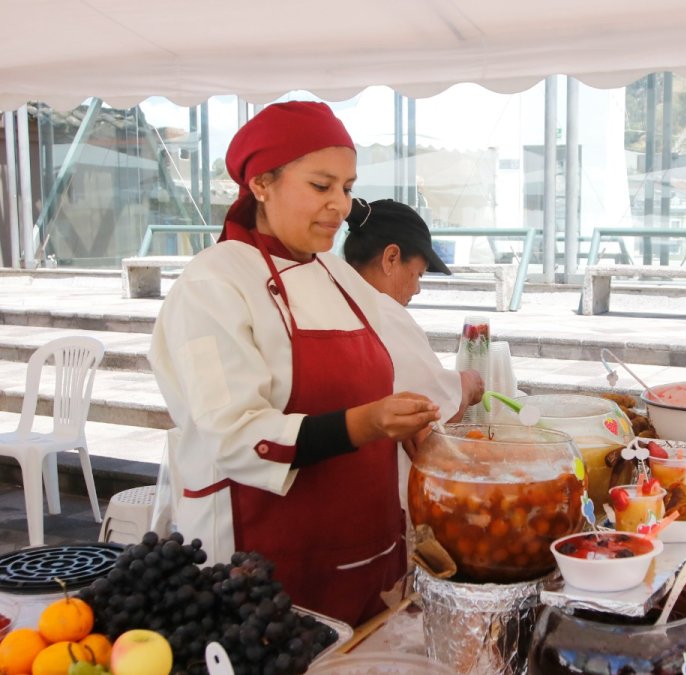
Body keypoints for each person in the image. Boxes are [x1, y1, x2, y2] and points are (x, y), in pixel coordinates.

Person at [149, 101, 441, 627]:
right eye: (321, 186)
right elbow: (235, 435)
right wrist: (366, 422)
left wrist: (408, 425)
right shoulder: (213, 283)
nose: (340, 205)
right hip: (265, 564)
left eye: (347, 188)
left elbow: (386, 375)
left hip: (366, 550)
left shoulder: (338, 274)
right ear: (261, 183)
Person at [342, 197, 484, 424]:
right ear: (391, 258)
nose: (417, 289)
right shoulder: (382, 312)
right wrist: (468, 382)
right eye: (418, 274)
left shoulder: (334, 295)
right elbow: (439, 409)